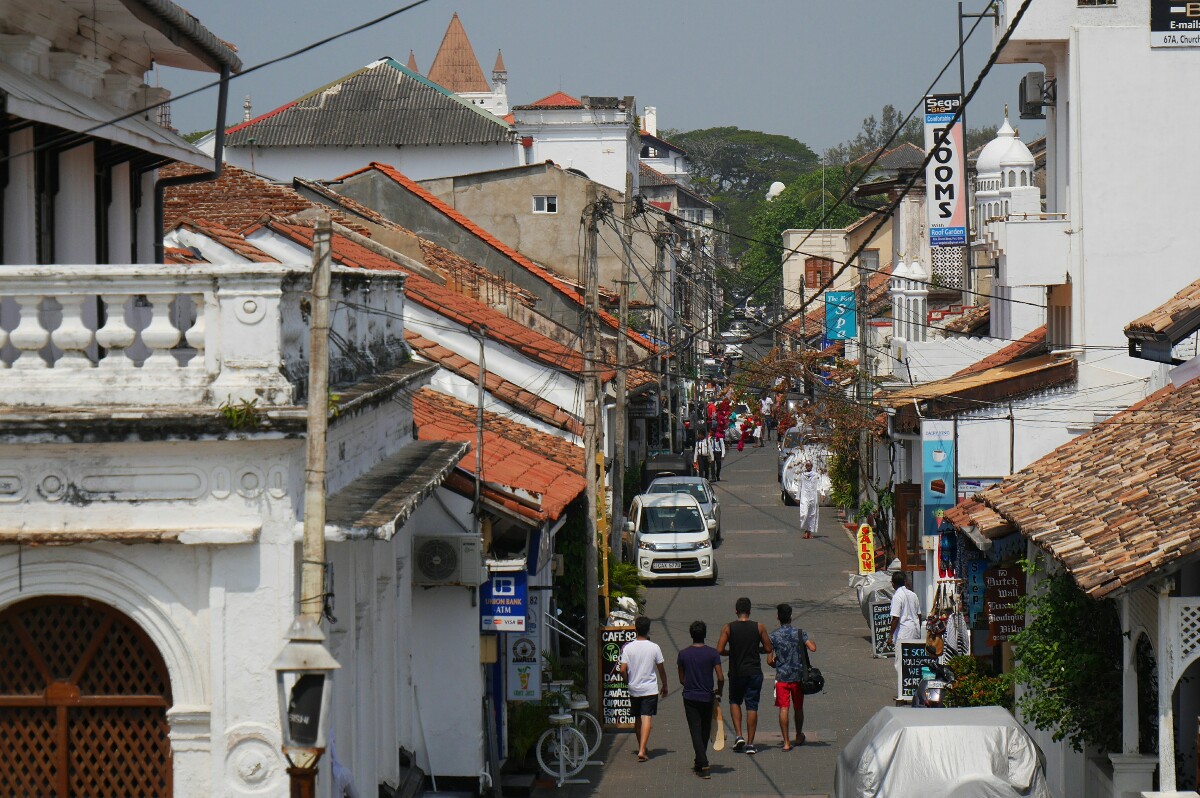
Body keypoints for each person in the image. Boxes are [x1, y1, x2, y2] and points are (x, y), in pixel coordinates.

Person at [716, 597, 773, 755]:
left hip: (736, 672)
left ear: (736, 611)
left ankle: (739, 735)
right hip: (754, 672)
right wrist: (757, 649)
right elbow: (768, 648)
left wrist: (731, 652)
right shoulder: (759, 627)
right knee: (752, 706)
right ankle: (750, 744)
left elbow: (719, 650)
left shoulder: (728, 628)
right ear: (749, 611)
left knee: (735, 701)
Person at [677, 620, 724, 778]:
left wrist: (690, 682)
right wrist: (719, 691)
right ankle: (701, 761)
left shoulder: (683, 654)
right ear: (705, 635)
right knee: (705, 730)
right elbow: (720, 677)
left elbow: (681, 679)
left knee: (695, 730)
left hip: (690, 696)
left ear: (691, 635)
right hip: (707, 696)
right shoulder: (712, 653)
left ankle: (702, 763)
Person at [619, 615, 668, 762]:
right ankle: (642, 750)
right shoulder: (654, 647)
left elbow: (622, 670)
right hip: (649, 689)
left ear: (635, 629)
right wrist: (665, 685)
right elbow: (661, 669)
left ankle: (641, 746)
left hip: (634, 688)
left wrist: (627, 681)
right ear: (648, 630)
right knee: (647, 717)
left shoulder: (628, 648)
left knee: (637, 719)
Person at [767, 603, 816, 750]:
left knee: (783, 708)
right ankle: (799, 735)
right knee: (798, 708)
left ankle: (786, 742)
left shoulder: (773, 636)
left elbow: (769, 660)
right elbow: (813, 648)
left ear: (778, 617)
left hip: (782, 678)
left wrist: (778, 663)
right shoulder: (799, 633)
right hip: (798, 677)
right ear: (791, 617)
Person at [890, 571, 924, 647]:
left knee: (901, 656)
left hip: (904, 632)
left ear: (893, 583)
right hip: (915, 630)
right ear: (904, 582)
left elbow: (895, 618)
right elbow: (919, 615)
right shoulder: (913, 594)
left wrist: (890, 636)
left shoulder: (897, 596)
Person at [796, 461, 826, 539]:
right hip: (804, 496)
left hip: (813, 497)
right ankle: (805, 529)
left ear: (812, 466)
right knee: (804, 513)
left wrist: (822, 494)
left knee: (812, 514)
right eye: (807, 465)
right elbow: (800, 486)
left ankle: (808, 531)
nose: (808, 466)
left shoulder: (816, 475)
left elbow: (820, 484)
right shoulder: (802, 475)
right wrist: (798, 497)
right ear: (805, 466)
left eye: (810, 465)